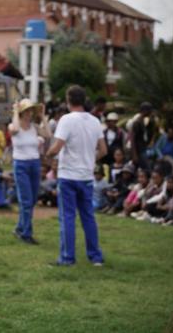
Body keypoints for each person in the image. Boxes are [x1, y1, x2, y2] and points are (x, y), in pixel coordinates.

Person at [47, 85, 107, 266]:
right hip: (87, 177)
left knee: (67, 217)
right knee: (88, 216)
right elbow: (103, 150)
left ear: (68, 100)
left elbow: (56, 147)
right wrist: (89, 159)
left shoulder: (66, 119)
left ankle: (67, 258)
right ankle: (95, 257)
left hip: (68, 176)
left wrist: (48, 154)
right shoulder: (95, 121)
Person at [8, 99, 52, 244]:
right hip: (21, 164)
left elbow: (48, 134)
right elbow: (14, 130)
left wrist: (43, 116)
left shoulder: (34, 127)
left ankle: (20, 227)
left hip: (34, 163)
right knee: (26, 201)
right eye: (26, 111)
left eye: (31, 110)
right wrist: (15, 110)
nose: (29, 113)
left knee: (32, 200)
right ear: (21, 112)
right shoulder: (14, 125)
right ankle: (26, 234)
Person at [131, 102, 153, 170]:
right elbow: (133, 138)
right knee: (147, 168)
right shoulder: (137, 123)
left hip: (143, 148)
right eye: (149, 111)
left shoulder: (144, 121)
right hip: (139, 150)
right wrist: (134, 154)